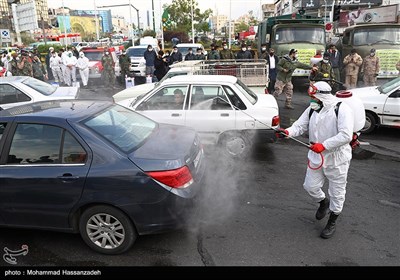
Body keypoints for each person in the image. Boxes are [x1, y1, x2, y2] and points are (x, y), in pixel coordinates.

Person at [276, 81, 354, 239]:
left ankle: (332, 220)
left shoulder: (342, 109)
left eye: (314, 97)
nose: (311, 101)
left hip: (336, 158)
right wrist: (287, 132)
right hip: (316, 156)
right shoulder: (313, 108)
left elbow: (346, 135)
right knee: (310, 186)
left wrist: (324, 145)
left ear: (322, 96)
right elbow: (300, 126)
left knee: (337, 193)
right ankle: (322, 201)